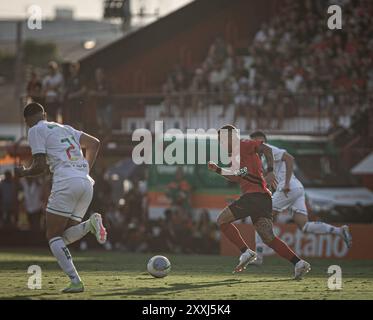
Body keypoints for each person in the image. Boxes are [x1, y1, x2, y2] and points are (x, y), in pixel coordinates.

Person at [15, 102, 107, 293]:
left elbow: (39, 166)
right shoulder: (65, 127)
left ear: (27, 121)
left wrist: (23, 173)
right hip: (85, 182)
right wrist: (84, 170)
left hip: (66, 182)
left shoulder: (35, 130)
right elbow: (94, 144)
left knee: (52, 236)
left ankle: (75, 281)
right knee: (65, 236)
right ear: (45, 114)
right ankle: (90, 224)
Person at [208, 124, 311, 279]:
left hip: (254, 196)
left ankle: (245, 252)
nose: (220, 143)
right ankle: (298, 263)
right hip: (263, 198)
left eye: (221, 139)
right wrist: (217, 170)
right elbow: (236, 176)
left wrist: (270, 171)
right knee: (268, 238)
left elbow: (267, 150)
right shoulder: (236, 155)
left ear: (230, 136)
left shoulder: (244, 144)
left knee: (222, 220)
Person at [248, 131, 352, 265]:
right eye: (253, 141)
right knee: (304, 225)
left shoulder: (270, 149)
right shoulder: (260, 158)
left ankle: (259, 257)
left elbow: (289, 158)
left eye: (259, 141)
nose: (256, 144)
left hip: (289, 188)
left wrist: (285, 183)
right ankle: (339, 231)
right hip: (297, 188)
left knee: (260, 218)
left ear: (263, 141)